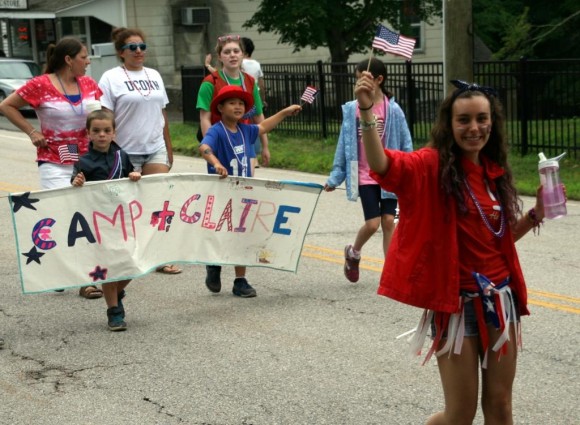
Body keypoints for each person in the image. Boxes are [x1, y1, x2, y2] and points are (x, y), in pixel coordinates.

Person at [355, 73, 548, 424]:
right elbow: (382, 165)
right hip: (458, 306)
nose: (474, 127)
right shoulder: (430, 165)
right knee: (460, 415)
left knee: (501, 406)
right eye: (464, 120)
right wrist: (367, 110)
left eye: (481, 118)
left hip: (501, 303)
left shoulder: (494, 172)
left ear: (493, 122)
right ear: (449, 124)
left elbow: (497, 238)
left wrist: (536, 214)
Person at [0, 36, 104, 300]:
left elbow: (101, 116)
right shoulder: (40, 84)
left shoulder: (89, 84)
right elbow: (6, 105)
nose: (88, 62)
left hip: (86, 160)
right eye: (84, 57)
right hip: (53, 160)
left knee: (85, 217)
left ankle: (84, 279)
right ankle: (61, 268)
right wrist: (31, 131)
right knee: (62, 216)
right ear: (69, 60)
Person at [199, 85, 301, 298]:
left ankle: (240, 280)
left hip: (244, 193)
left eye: (241, 103)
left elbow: (263, 127)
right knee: (221, 234)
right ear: (220, 107)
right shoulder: (217, 130)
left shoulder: (246, 130)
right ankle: (213, 265)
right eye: (232, 103)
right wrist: (215, 162)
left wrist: (284, 112)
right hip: (222, 193)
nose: (237, 107)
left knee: (242, 236)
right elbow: (204, 148)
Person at [98, 27, 182, 275]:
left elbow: (162, 113)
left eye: (142, 47)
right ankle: (126, 256)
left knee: (158, 203)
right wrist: (108, 150)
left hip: (154, 147)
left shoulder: (154, 75)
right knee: (126, 207)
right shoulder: (110, 78)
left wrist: (168, 147)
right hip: (125, 151)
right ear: (120, 52)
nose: (138, 51)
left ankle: (158, 257)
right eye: (132, 47)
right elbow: (106, 117)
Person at [324, 58, 413, 283]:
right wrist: (336, 176)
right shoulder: (353, 109)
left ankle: (392, 273)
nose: (358, 84)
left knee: (388, 222)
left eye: (362, 79)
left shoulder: (393, 109)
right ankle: (353, 252)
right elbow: (344, 144)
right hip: (364, 174)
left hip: (389, 174)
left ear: (378, 80)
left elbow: (405, 143)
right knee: (373, 224)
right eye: (357, 80)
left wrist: (410, 171)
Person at [71, 109, 141, 331]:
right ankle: (114, 311)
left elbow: (133, 179)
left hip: (124, 220)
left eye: (107, 130)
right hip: (100, 222)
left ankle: (117, 291)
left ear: (114, 133)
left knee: (133, 265)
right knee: (110, 268)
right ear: (88, 134)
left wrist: (135, 176)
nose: (102, 135)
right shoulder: (83, 162)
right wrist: (77, 181)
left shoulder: (123, 156)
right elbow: (75, 187)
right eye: (97, 131)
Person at [196, 34, 270, 173]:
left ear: (243, 54)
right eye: (227, 52)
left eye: (236, 51)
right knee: (223, 186)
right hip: (222, 142)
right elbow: (205, 118)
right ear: (220, 57)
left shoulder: (249, 81)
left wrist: (265, 146)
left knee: (246, 184)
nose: (232, 55)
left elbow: (258, 116)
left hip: (246, 142)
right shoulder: (210, 82)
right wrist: (211, 146)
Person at [241, 37, 267, 169]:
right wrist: (262, 99)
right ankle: (255, 155)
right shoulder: (256, 64)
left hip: (244, 99)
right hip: (255, 98)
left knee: (245, 128)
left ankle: (253, 157)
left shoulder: (241, 64)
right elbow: (261, 84)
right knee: (257, 128)